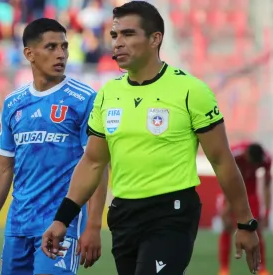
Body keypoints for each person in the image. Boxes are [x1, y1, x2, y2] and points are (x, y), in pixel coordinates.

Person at [41, 1, 261, 275]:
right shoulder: (108, 95)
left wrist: (245, 223)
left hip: (172, 213)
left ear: (155, 39)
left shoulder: (191, 91)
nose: (117, 43)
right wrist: (62, 220)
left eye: (128, 34)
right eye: (114, 35)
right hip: (123, 214)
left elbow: (222, 160)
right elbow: (93, 163)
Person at [0, 18, 109, 275]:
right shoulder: (14, 103)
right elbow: (3, 168)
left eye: (64, 47)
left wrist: (93, 225)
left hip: (62, 222)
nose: (61, 54)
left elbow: (97, 165)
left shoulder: (84, 99)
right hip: (18, 224)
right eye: (51, 47)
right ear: (29, 53)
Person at [218, 142, 271, 275]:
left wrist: (266, 212)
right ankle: (224, 269)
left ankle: (261, 268)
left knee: (256, 229)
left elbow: (266, 186)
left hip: (251, 194)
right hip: (232, 189)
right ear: (246, 155)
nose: (252, 167)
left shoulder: (266, 159)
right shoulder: (234, 154)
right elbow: (227, 179)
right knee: (227, 227)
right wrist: (227, 206)